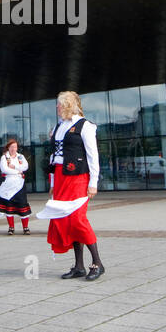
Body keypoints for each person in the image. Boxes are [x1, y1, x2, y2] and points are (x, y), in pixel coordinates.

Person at [47, 91, 104, 280]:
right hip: (61, 177)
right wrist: (53, 182)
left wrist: (93, 183)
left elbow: (93, 155)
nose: (57, 107)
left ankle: (97, 263)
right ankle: (79, 266)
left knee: (78, 219)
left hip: (79, 177)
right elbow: (53, 156)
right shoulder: (59, 126)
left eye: (59, 104)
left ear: (68, 105)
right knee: (67, 220)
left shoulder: (85, 126)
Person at [0, 138, 32, 235]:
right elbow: (4, 169)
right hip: (9, 183)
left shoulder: (20, 157)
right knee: (9, 205)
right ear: (8, 148)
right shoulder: (4, 157)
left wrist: (15, 167)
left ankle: (26, 228)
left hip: (20, 184)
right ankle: (11, 228)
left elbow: (25, 167)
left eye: (15, 147)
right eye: (11, 147)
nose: (13, 149)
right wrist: (18, 171)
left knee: (23, 204)